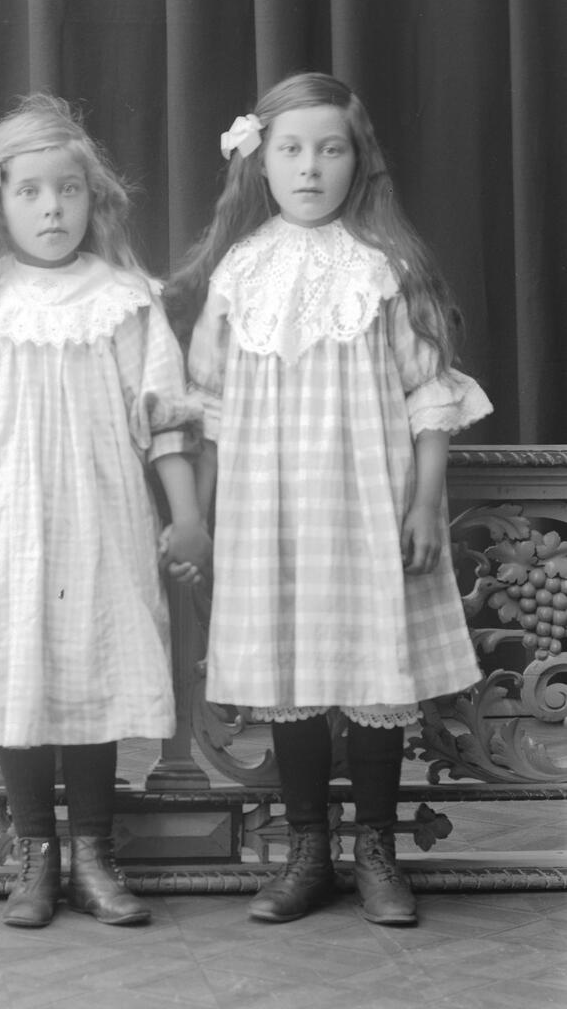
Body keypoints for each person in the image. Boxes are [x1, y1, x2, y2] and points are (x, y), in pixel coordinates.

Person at [0, 93, 211, 929]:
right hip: (5, 527)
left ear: (94, 199)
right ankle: (36, 857)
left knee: (90, 679)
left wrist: (187, 517)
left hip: (101, 524)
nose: (52, 208)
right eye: (31, 191)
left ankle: (93, 854)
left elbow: (164, 418)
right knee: (21, 684)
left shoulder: (122, 299)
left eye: (68, 190)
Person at [164, 72, 492, 927]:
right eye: (291, 149)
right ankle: (309, 849)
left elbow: (429, 395)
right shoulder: (240, 269)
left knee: (373, 673)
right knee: (292, 673)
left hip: (366, 503)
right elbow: (210, 409)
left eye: (330, 149)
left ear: (358, 160)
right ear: (261, 162)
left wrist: (423, 504)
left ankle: (376, 850)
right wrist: (201, 520)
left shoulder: (386, 267)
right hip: (267, 512)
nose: (310, 168)